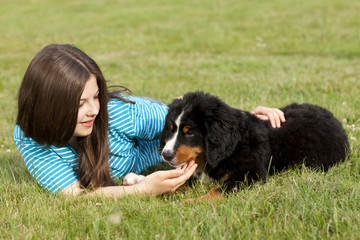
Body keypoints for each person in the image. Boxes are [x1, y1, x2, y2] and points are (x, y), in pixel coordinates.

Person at [14, 44, 285, 198]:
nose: (93, 110)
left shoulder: (119, 114)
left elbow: (189, 119)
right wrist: (144, 190)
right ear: (49, 108)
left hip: (157, 122)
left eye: (96, 96)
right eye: (80, 103)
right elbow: (77, 197)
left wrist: (246, 117)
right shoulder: (34, 141)